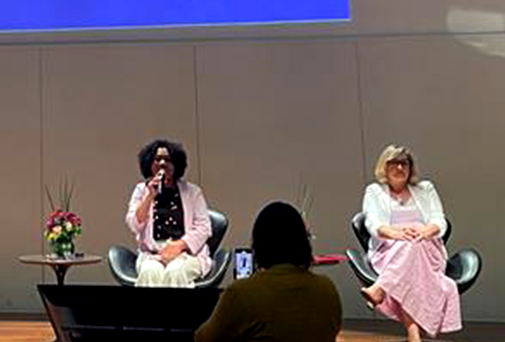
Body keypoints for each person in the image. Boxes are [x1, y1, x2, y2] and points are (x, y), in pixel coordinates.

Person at [194, 201, 342, 342]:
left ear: (258, 244)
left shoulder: (241, 293)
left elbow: (203, 338)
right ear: (303, 242)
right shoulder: (327, 289)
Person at [359, 145, 461, 341]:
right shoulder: (374, 191)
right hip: (390, 250)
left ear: (410, 167)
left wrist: (424, 231)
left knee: (412, 247)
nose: (399, 168)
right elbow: (373, 223)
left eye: (404, 163)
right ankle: (414, 336)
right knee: (409, 266)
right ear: (384, 167)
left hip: (426, 248)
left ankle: (381, 288)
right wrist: (396, 234)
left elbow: (439, 220)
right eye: (394, 163)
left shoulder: (425, 189)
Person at [125, 138, 213, 287]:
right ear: (149, 163)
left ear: (176, 164)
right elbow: (134, 224)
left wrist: (179, 246)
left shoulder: (193, 191)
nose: (162, 163)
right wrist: (149, 196)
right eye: (157, 159)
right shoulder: (141, 190)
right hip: (152, 255)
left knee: (175, 272)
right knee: (150, 272)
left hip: (185, 254)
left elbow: (204, 228)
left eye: (168, 159)